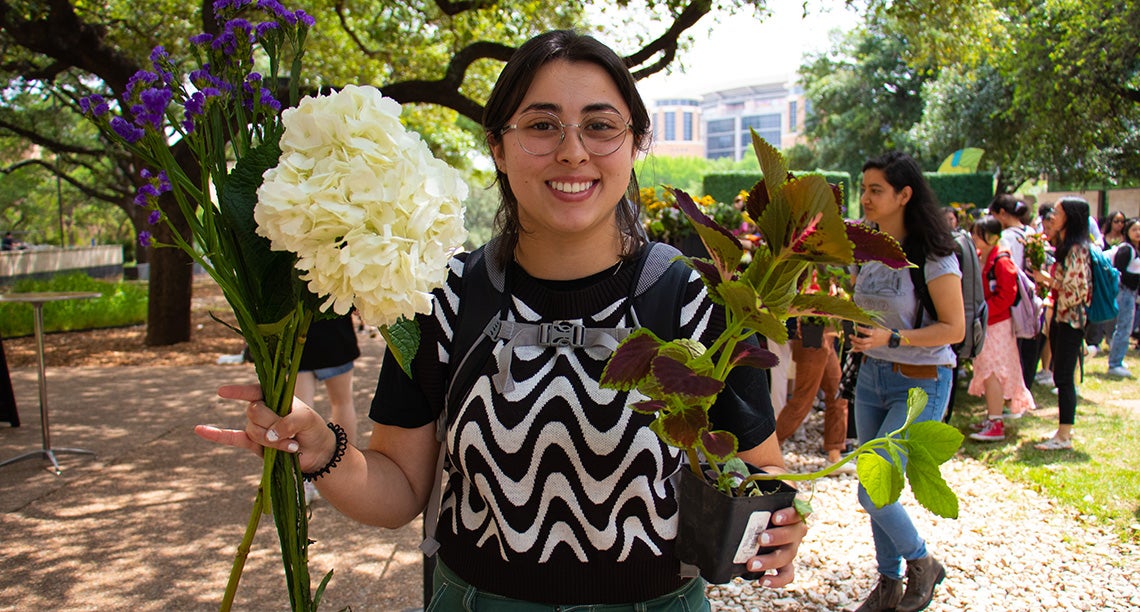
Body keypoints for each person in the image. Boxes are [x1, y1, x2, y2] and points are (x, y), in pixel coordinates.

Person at [195, 30, 805, 609]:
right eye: (542, 125)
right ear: (498, 146)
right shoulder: (443, 297)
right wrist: (322, 446)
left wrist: (779, 526)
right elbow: (399, 489)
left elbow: (761, 467)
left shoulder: (695, 298)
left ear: (636, 142)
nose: (572, 150)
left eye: (600, 126)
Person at [848, 152, 964, 612]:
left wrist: (894, 337)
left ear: (904, 194)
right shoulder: (868, 247)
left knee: (871, 487)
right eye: (865, 188)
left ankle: (922, 562)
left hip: (919, 383)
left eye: (876, 190)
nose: (866, 198)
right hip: (871, 376)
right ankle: (889, 583)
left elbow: (953, 328)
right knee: (883, 490)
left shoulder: (933, 254)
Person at [966, 216, 1035, 442]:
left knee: (993, 371)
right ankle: (992, 417)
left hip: (997, 325)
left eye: (978, 233)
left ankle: (996, 422)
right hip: (986, 324)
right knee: (986, 370)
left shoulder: (1001, 261)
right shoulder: (980, 257)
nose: (974, 237)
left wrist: (983, 312)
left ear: (992, 237)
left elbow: (1007, 296)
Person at [1033, 196, 1093, 451]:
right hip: (1060, 316)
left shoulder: (1077, 248)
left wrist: (1047, 281)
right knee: (1061, 375)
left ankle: (1064, 435)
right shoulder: (1067, 245)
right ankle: (1062, 430)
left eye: (1057, 212)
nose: (1052, 217)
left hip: (1070, 319)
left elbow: (1076, 289)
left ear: (1070, 216)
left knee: (1065, 377)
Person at [775, 316, 853, 473]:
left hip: (827, 338)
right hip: (812, 338)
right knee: (802, 402)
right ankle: (767, 449)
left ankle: (834, 457)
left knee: (838, 395)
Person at [989, 194, 1041, 387]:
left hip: (1014, 295)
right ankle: (1025, 385)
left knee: (1014, 348)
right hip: (1031, 294)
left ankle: (1014, 390)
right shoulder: (1031, 233)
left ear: (1002, 214)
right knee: (1028, 345)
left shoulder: (1006, 237)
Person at [1106, 217, 1140, 377]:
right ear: (1127, 231)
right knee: (1124, 328)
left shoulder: (1135, 249)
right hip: (1124, 292)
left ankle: (1117, 358)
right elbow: (1119, 272)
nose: (1138, 233)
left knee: (1125, 327)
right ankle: (1115, 363)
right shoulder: (1126, 249)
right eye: (1134, 229)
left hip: (1131, 293)